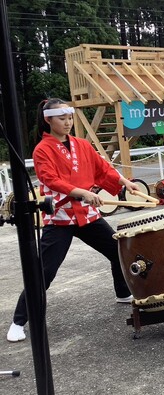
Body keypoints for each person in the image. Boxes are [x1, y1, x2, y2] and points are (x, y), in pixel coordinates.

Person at [7, 99, 139, 343]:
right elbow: (51, 180)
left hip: (87, 215)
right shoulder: (42, 150)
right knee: (45, 271)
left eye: (70, 118)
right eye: (62, 118)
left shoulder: (82, 144)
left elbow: (102, 168)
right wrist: (82, 192)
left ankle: (123, 292)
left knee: (118, 250)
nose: (68, 123)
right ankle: (18, 320)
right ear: (48, 120)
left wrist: (124, 182)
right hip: (61, 217)